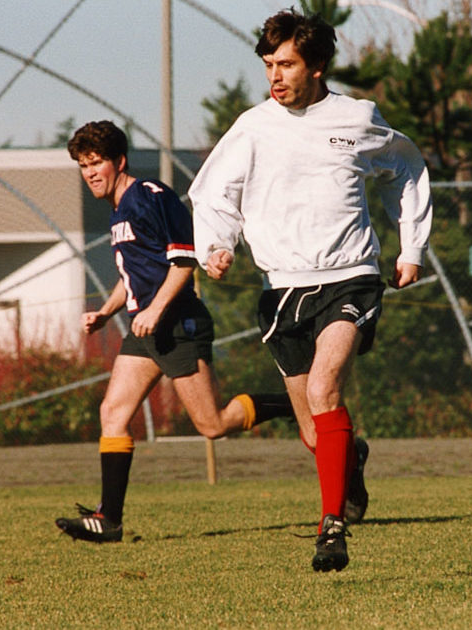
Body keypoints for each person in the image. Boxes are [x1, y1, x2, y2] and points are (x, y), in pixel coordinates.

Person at [189, 9, 432, 571]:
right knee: (312, 433)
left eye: (288, 64)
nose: (275, 76)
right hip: (283, 288)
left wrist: (411, 248)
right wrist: (216, 246)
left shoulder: (358, 118)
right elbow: (212, 195)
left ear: (318, 65)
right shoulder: (252, 127)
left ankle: (331, 527)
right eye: (269, 65)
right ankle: (352, 461)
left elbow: (409, 168)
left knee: (325, 388)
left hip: (351, 277)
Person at [55, 120, 293, 543]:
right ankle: (109, 518)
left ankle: (299, 403)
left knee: (213, 425)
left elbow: (184, 262)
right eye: (83, 165)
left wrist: (155, 309)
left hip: (178, 324)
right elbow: (134, 275)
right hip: (147, 329)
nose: (90, 172)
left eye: (97, 163)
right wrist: (107, 313)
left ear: (119, 161)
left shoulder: (150, 197)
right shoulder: (118, 211)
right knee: (112, 413)